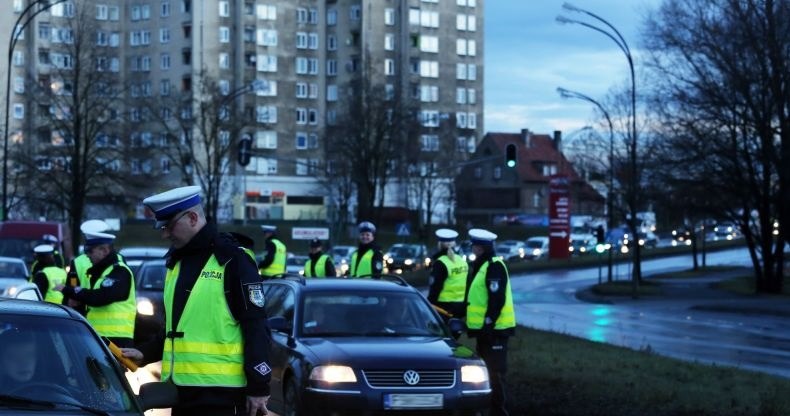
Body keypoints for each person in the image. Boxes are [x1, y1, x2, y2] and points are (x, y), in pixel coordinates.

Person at [122, 185, 271, 416]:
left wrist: (259, 385)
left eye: (169, 226)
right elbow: (177, 329)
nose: (165, 234)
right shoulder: (176, 263)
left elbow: (256, 326)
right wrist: (145, 353)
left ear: (192, 218)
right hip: (181, 393)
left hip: (223, 397)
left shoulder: (233, 260)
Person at [57, 227, 136, 348]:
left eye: (90, 251)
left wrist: (69, 290)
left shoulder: (119, 271)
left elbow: (99, 297)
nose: (87, 255)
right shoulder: (101, 272)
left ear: (104, 250)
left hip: (116, 340)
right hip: (99, 337)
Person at [465, 228, 516, 416]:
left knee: (495, 374)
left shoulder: (493, 266)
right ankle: (487, 409)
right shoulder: (481, 265)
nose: (472, 249)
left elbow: (497, 298)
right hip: (486, 331)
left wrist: (488, 322)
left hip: (496, 331)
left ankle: (500, 412)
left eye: (475, 246)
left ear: (481, 248)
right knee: (485, 373)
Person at [64, 219, 114, 316]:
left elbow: (73, 281)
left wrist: (74, 293)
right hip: (106, 310)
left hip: (82, 307)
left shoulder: (77, 261)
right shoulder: (117, 259)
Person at [427, 228, 469, 321]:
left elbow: (435, 287)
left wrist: (428, 305)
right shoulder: (462, 261)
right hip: (460, 307)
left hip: (442, 308)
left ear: (439, 244)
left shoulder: (440, 263)